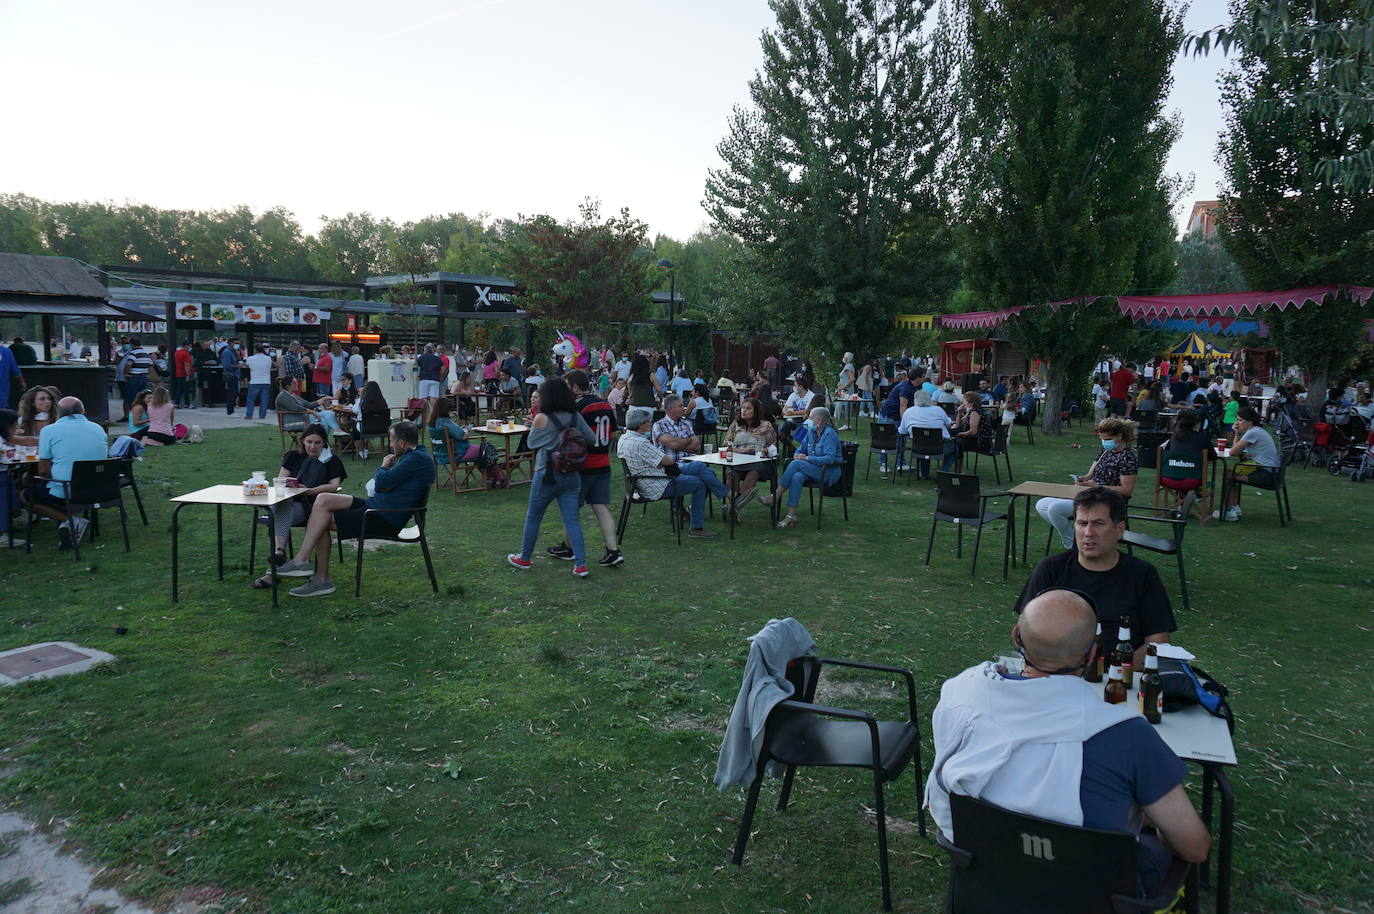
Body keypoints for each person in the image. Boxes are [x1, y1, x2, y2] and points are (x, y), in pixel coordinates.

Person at [926, 588, 1210, 898]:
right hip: (1090, 895)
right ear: (1091, 654)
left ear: (1016, 636)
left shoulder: (960, 693)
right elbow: (1194, 847)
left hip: (988, 880)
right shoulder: (1125, 734)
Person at [1015, 487, 1176, 666]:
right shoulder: (1051, 569)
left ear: (1119, 529)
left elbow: (1158, 641)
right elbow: (1023, 632)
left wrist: (1115, 674)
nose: (1088, 533)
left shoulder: (1142, 574)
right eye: (1082, 523)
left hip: (1120, 681)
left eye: (1098, 523)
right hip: (1060, 677)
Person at [277, 421, 433, 596]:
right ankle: (302, 560)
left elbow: (381, 482)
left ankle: (320, 579)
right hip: (376, 506)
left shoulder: (415, 459)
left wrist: (382, 466)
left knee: (319, 520)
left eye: (391, 440)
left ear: (401, 443)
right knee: (322, 499)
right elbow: (385, 486)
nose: (390, 444)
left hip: (384, 518)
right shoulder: (416, 455)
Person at [505, 378, 597, 575]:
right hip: (572, 474)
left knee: (534, 516)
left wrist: (536, 428)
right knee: (572, 519)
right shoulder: (574, 416)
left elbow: (531, 444)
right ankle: (580, 564)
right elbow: (591, 438)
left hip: (546, 474)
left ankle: (525, 558)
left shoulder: (542, 418)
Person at [249, 425, 347, 588]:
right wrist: (291, 487)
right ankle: (278, 554)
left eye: (317, 443)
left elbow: (333, 486)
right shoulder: (293, 456)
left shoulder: (331, 460)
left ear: (324, 443)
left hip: (313, 507)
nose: (313, 446)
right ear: (302, 441)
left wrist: (309, 491)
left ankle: (275, 565)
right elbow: (280, 481)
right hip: (288, 503)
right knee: (280, 507)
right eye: (309, 442)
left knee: (276, 513)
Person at [544, 370, 622, 567]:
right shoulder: (604, 403)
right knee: (601, 506)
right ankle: (613, 550)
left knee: (571, 509)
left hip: (583, 464)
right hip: (604, 462)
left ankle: (569, 548)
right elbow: (612, 433)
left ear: (575, 387)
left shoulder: (577, 407)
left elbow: (570, 435)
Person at [1036, 417, 1138, 550]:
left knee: (1054, 509)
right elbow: (1090, 475)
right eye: (1102, 439)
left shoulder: (1127, 458)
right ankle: (1074, 540)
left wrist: (1097, 486)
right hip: (1090, 495)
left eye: (1107, 439)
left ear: (1119, 436)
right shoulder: (1105, 451)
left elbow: (1126, 490)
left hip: (1107, 501)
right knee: (1041, 504)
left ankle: (1072, 545)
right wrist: (1082, 479)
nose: (1104, 442)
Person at [20, 397, 109, 549]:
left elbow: (43, 470)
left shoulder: (49, 431)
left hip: (68, 491)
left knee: (26, 494)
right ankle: (70, 522)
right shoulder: (98, 428)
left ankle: (71, 521)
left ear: (58, 413)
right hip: (99, 490)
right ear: (82, 411)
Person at [652, 395, 731, 537]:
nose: (684, 408)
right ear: (670, 409)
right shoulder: (659, 425)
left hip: (688, 463)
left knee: (706, 476)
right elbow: (675, 444)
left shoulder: (685, 423)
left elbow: (696, 446)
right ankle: (728, 495)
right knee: (702, 469)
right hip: (671, 467)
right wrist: (686, 441)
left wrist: (680, 443)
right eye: (680, 405)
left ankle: (695, 524)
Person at [761, 406, 842, 528]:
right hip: (812, 469)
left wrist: (807, 458)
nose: (807, 420)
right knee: (797, 476)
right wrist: (798, 454)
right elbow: (799, 449)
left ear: (819, 421)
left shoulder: (830, 434)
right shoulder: (811, 432)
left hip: (828, 471)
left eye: (810, 418)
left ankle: (776, 495)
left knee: (797, 463)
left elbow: (829, 459)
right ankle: (791, 515)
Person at [1214, 406, 1280, 522]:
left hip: (1267, 474)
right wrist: (1238, 434)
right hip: (1272, 472)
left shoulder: (1253, 432)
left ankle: (1229, 511)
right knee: (1232, 472)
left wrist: (1237, 434)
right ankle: (1234, 507)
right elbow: (1242, 454)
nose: (1237, 423)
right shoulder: (1257, 431)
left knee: (1228, 474)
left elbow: (1233, 452)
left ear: (1249, 420)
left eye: (1240, 420)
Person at [898, 390, 959, 479]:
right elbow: (949, 424)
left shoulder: (908, 412)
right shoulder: (938, 409)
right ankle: (943, 471)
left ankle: (924, 474)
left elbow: (902, 432)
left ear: (915, 400)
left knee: (924, 442)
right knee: (955, 449)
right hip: (939, 447)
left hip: (919, 448)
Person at [876, 367, 917, 473]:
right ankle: (883, 464)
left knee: (901, 440)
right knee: (885, 440)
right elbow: (903, 405)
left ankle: (901, 464)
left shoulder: (915, 386)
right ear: (919, 377)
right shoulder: (905, 387)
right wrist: (905, 422)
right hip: (888, 415)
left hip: (896, 416)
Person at [275, 377, 342, 438]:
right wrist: (312, 412)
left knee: (328, 413)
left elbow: (309, 405)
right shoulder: (283, 396)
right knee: (324, 422)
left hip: (304, 417)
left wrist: (324, 398)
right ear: (288, 386)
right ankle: (322, 444)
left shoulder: (294, 395)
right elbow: (295, 408)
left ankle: (337, 430)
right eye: (294, 383)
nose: (297, 384)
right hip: (293, 422)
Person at [952, 390, 992, 466]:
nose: (963, 403)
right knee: (956, 439)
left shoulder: (975, 413)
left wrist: (961, 434)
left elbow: (973, 431)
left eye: (965, 401)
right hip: (976, 439)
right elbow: (958, 426)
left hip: (980, 441)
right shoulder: (970, 411)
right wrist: (959, 412)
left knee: (956, 443)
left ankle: (959, 469)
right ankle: (959, 468)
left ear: (972, 403)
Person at [353, 381, 391, 459]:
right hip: (383, 429)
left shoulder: (362, 402)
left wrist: (360, 397)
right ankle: (364, 449)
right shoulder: (384, 402)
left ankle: (361, 450)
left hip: (366, 429)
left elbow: (354, 410)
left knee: (355, 426)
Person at [119, 338, 154, 417]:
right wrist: (145, 373)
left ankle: (134, 415)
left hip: (133, 377)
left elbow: (129, 364)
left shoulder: (133, 353)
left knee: (131, 398)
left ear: (132, 344)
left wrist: (125, 373)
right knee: (142, 397)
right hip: (143, 378)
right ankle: (143, 414)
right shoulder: (146, 354)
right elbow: (151, 367)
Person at [242, 342, 273, 419]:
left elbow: (247, 366)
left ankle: (249, 415)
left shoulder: (250, 359)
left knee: (251, 399)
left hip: (255, 381)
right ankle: (262, 415)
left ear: (255, 350)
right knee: (264, 400)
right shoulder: (268, 358)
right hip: (266, 381)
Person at [834, 352, 856, 430]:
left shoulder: (848, 366)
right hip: (845, 389)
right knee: (844, 407)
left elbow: (852, 379)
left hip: (845, 390)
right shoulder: (848, 366)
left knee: (840, 406)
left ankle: (837, 425)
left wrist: (842, 387)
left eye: (844, 357)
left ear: (847, 358)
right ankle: (846, 424)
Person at [219, 338, 241, 415]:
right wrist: (236, 366)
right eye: (236, 343)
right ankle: (230, 411)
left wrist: (238, 355)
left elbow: (237, 361)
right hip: (230, 375)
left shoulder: (234, 352)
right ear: (231, 343)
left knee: (235, 392)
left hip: (235, 375)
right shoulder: (227, 352)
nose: (237, 345)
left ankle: (232, 409)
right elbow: (226, 365)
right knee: (231, 393)